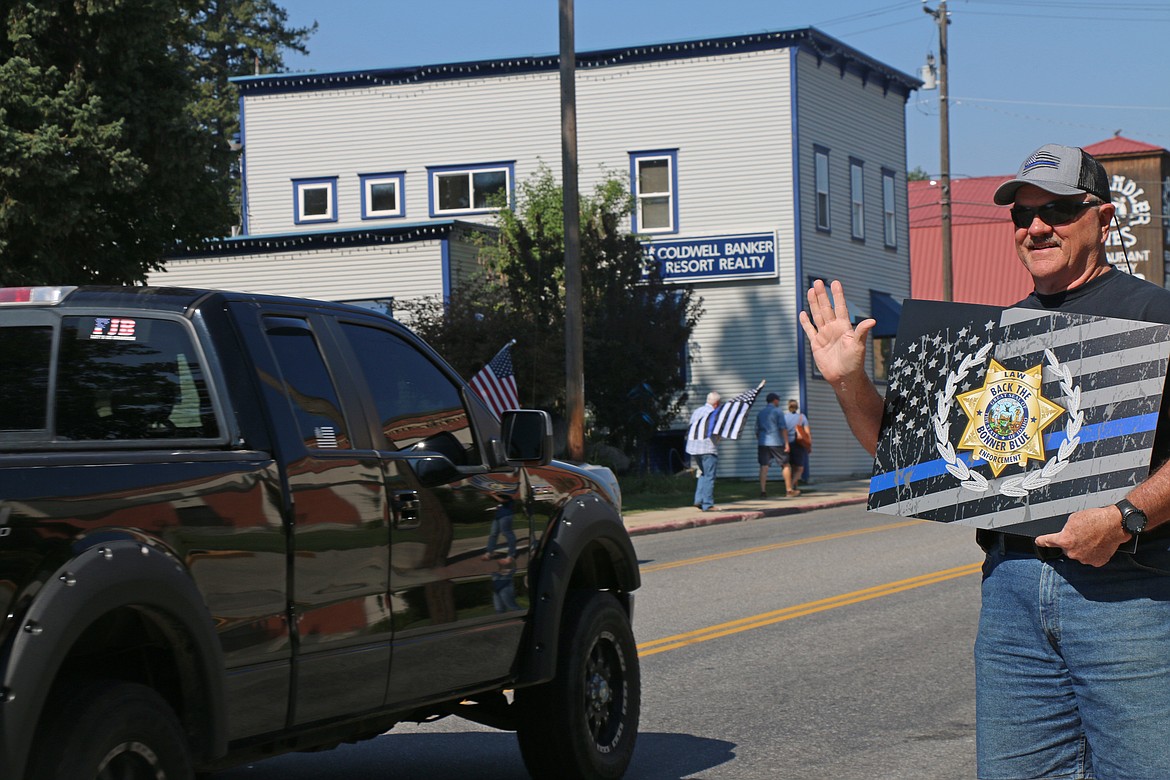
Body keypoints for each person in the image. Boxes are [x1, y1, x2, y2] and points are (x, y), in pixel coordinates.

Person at [799, 142, 1170, 780]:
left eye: (1057, 210)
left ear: (1103, 219)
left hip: (1129, 595)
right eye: (1022, 216)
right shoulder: (996, 333)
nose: (1036, 227)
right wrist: (847, 383)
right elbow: (910, 459)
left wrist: (1125, 518)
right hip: (1012, 598)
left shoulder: (1156, 315)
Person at [685, 391, 722, 511]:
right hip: (707, 447)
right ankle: (708, 504)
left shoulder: (697, 411)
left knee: (703, 473)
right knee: (710, 475)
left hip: (694, 447)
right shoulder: (714, 413)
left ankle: (698, 500)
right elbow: (715, 431)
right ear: (716, 403)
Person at [756, 392, 789, 498]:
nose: (778, 401)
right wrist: (787, 443)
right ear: (775, 400)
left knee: (764, 466)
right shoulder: (778, 411)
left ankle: (763, 491)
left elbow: (756, 429)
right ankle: (789, 490)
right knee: (785, 464)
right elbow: (783, 428)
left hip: (763, 442)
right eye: (778, 400)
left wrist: (760, 439)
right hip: (776, 441)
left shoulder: (761, 413)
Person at [783, 399, 809, 496]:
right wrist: (809, 445)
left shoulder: (784, 417)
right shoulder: (802, 417)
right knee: (799, 468)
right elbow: (807, 432)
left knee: (789, 466)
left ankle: (790, 488)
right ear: (797, 406)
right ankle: (792, 486)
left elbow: (782, 430)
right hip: (798, 444)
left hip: (786, 444)